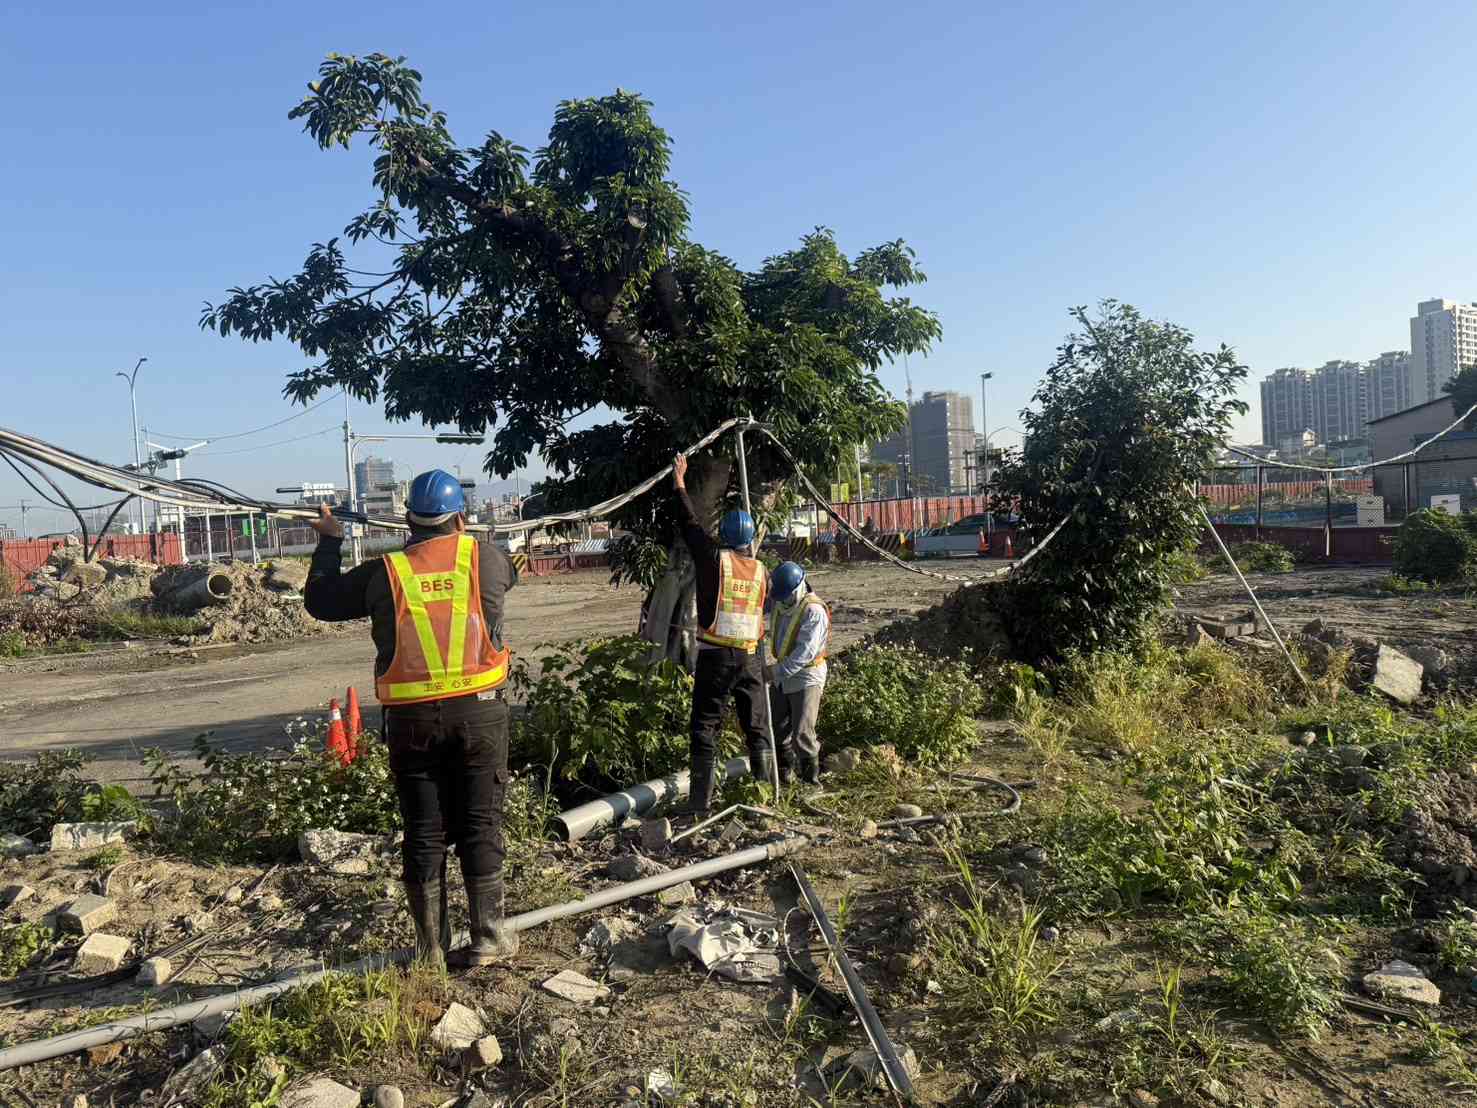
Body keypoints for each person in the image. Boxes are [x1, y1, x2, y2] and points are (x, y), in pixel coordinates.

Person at [304, 469, 519, 970]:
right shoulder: (484, 559)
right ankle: (488, 938)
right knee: (480, 823)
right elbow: (511, 573)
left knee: (424, 832)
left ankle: (430, 951)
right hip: (480, 714)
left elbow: (320, 601)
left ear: (408, 522)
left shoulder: (386, 572)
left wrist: (330, 543)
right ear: (460, 517)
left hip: (411, 722)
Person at [671, 453, 774, 815]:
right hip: (750, 657)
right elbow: (767, 610)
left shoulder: (714, 560)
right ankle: (766, 793)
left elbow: (690, 524)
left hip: (715, 655)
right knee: (757, 726)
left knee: (705, 726)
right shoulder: (762, 571)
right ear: (749, 539)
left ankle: (700, 804)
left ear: (724, 536)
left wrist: (680, 483)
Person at [766, 561, 830, 786]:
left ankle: (812, 782)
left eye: (786, 596)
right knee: (776, 726)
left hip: (806, 676)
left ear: (798, 588)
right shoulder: (781, 605)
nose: (783, 601)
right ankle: (785, 775)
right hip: (783, 675)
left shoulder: (813, 611)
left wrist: (774, 672)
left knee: (802, 731)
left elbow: (805, 653)